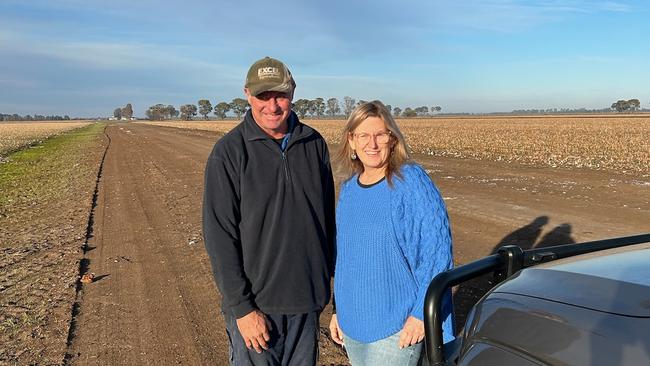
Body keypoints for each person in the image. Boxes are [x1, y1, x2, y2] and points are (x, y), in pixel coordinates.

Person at [202, 56, 336, 365]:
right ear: (247, 94)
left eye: (280, 95)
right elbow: (219, 237)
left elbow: (328, 222)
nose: (272, 105)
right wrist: (243, 309)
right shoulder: (229, 153)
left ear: (293, 92)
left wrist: (328, 290)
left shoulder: (314, 144)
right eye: (263, 95)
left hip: (306, 301)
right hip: (257, 308)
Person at [328, 101, 454, 366]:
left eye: (380, 135)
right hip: (352, 325)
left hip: (396, 329)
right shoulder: (349, 190)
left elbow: (436, 253)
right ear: (351, 141)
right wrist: (338, 310)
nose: (371, 144)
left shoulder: (409, 182)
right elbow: (346, 259)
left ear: (392, 139)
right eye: (363, 135)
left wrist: (421, 314)